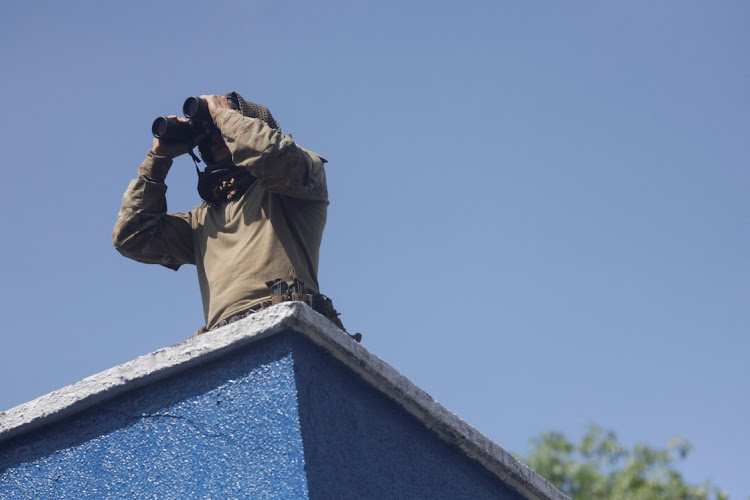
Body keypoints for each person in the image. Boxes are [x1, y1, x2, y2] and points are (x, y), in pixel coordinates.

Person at [113, 92, 351, 337]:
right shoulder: (202, 221)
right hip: (224, 339)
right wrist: (158, 159)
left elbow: (272, 156)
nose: (216, 137)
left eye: (221, 130)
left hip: (289, 327)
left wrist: (223, 114)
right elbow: (131, 236)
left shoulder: (295, 184)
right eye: (210, 134)